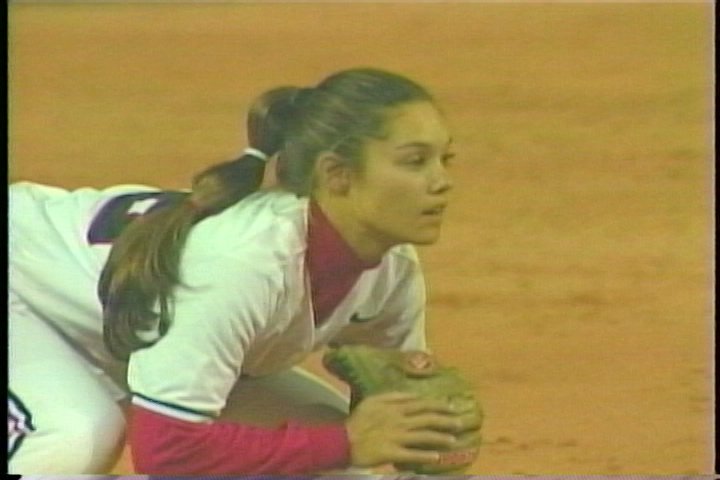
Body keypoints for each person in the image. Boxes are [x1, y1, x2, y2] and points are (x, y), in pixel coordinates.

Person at [8, 67, 481, 475]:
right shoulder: (245, 263)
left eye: (446, 159)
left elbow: (391, 406)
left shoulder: (392, 269)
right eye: (415, 161)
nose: (442, 181)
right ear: (337, 174)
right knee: (73, 438)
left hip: (118, 330)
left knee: (335, 462)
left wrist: (424, 438)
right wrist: (347, 442)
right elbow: (165, 448)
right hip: (20, 288)